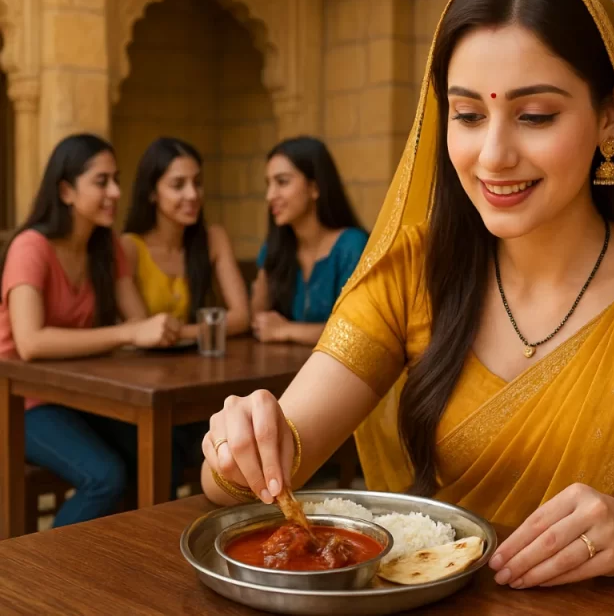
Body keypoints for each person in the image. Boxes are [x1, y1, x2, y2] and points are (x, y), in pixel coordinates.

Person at [200, 0, 614, 602]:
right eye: (468, 115)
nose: (494, 155)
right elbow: (255, 473)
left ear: (611, 116)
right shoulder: (414, 272)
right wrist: (239, 448)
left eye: (535, 116)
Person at [0, 133, 180, 526]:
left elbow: (139, 322)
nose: (115, 191)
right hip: (17, 402)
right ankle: (37, 576)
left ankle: (126, 559)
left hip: (75, 395)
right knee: (105, 476)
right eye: (102, 181)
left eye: (116, 179)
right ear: (66, 190)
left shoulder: (107, 246)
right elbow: (30, 343)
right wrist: (130, 334)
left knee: (167, 453)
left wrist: (151, 329)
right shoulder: (30, 247)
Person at [121, 137, 250, 339]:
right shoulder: (130, 247)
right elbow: (142, 330)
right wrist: (208, 330)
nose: (192, 195)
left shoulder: (214, 239)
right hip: (144, 366)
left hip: (199, 361)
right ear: (152, 193)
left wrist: (181, 333)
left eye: (197, 183)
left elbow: (241, 317)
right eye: (178, 185)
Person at [250, 136, 368, 345]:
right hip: (280, 369)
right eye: (268, 184)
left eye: (282, 182)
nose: (270, 196)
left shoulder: (351, 245)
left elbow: (356, 330)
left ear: (315, 187)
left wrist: (286, 330)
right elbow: (260, 322)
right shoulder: (274, 248)